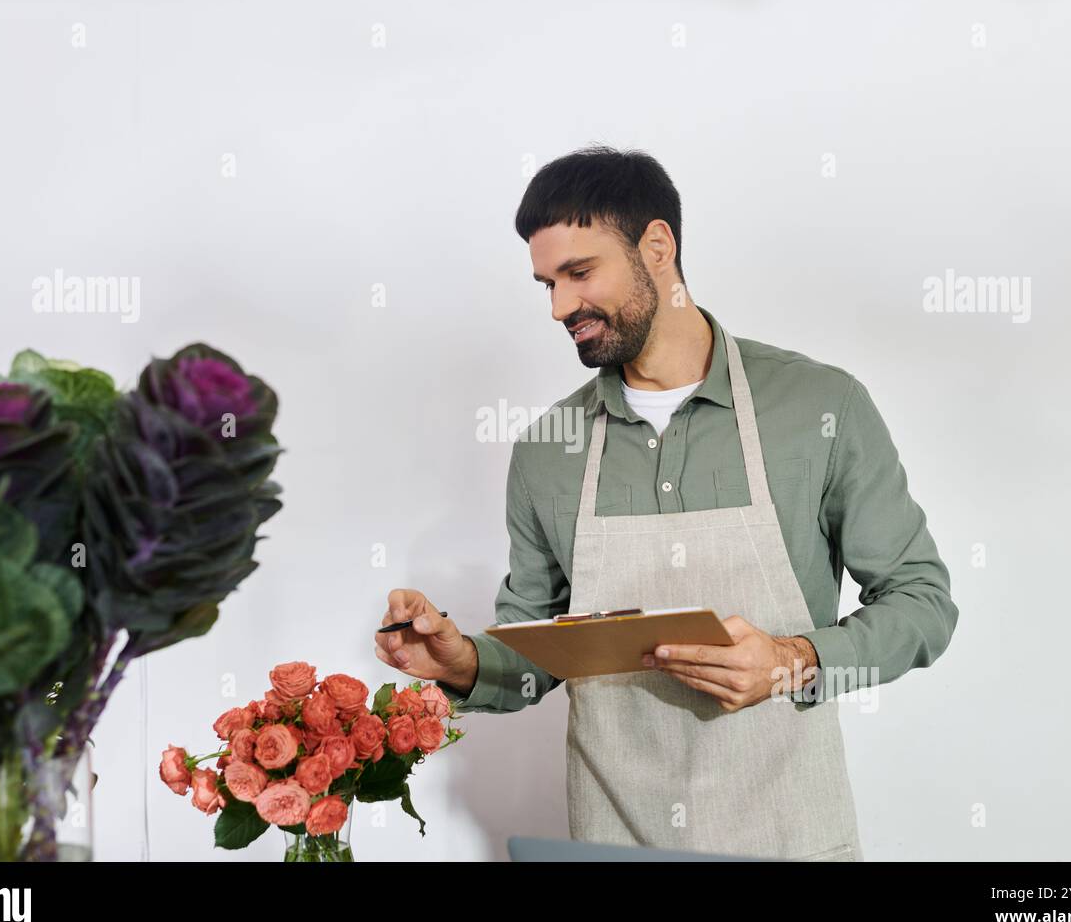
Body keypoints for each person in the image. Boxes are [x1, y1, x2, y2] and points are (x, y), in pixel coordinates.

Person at [375, 145, 959, 861]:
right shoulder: (546, 452)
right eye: (546, 283)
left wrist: (793, 658)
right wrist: (459, 659)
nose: (560, 307)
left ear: (657, 246)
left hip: (792, 837)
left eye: (579, 273)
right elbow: (536, 653)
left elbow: (922, 602)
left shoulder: (820, 408)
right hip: (613, 841)